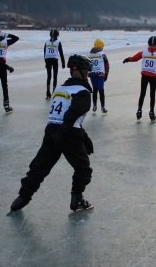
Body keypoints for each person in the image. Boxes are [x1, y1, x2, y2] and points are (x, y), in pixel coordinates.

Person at [9, 54, 95, 214]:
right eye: (87, 71)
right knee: (83, 169)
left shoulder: (60, 89)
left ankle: (21, 199)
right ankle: (77, 199)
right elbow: (70, 118)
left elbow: (64, 115)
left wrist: (84, 136)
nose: (88, 75)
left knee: (39, 166)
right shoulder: (83, 92)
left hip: (51, 131)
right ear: (82, 71)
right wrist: (76, 136)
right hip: (69, 133)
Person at [89, 38, 109, 113]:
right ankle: (102, 107)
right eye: (102, 46)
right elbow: (107, 65)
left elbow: (87, 64)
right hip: (100, 74)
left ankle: (95, 106)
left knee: (95, 90)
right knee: (101, 90)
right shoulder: (103, 54)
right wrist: (106, 74)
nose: (103, 48)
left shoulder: (89, 54)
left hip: (92, 74)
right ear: (99, 47)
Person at [43, 29, 65, 99]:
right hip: (54, 60)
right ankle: (54, 92)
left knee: (49, 76)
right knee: (55, 76)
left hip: (48, 60)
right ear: (57, 35)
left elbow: (44, 53)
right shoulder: (58, 42)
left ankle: (47, 92)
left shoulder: (46, 42)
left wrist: (45, 62)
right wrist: (63, 63)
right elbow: (61, 53)